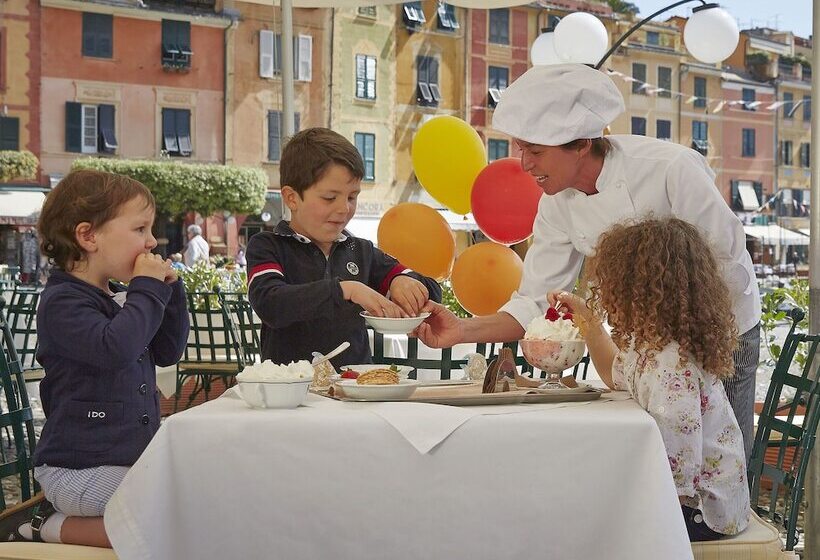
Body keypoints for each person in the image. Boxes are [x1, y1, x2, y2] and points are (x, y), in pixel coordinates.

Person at [417, 63, 761, 460]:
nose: (525, 164)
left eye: (536, 151)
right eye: (519, 148)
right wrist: (460, 330)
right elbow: (534, 302)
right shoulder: (554, 204)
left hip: (721, 329)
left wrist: (671, 352)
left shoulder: (671, 169)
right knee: (664, 462)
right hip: (649, 346)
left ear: (581, 144)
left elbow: (727, 265)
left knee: (724, 461)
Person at [3, 170, 189, 547]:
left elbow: (168, 351)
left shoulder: (123, 296)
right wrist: (147, 290)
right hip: (76, 470)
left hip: (125, 462)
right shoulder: (62, 302)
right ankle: (46, 528)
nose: (152, 241)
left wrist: (170, 293)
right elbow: (114, 349)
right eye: (140, 229)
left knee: (187, 497)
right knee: (172, 507)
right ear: (88, 236)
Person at [551, 217, 750, 542]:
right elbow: (613, 371)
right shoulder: (656, 347)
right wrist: (585, 317)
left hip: (701, 512)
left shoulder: (670, 363)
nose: (607, 292)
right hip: (708, 503)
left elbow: (677, 472)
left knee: (585, 525)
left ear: (638, 288)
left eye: (611, 283)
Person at [246, 128, 442, 369]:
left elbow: (433, 293)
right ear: (292, 198)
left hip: (357, 392)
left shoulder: (360, 251)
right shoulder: (268, 246)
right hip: (291, 393)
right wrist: (345, 290)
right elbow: (270, 303)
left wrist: (402, 281)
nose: (344, 209)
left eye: (352, 197)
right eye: (330, 198)